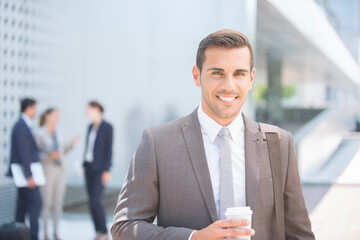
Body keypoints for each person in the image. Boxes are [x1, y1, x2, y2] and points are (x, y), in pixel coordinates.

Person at [111, 29, 315, 240]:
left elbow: (299, 234)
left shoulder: (279, 143)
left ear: (251, 78)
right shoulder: (158, 143)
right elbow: (124, 227)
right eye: (217, 73)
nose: (229, 86)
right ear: (196, 76)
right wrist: (193, 238)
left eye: (239, 74)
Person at [36, 108, 78, 240]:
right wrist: (48, 155)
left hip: (60, 171)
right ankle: (45, 233)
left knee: (58, 202)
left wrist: (70, 145)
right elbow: (35, 154)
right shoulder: (39, 133)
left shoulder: (60, 131)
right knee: (46, 202)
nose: (57, 119)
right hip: (47, 170)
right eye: (55, 116)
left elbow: (62, 151)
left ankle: (55, 232)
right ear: (48, 116)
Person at [7, 98, 42, 240]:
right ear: (29, 108)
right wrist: (29, 175)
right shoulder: (21, 126)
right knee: (36, 202)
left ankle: (18, 234)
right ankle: (33, 236)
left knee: (21, 204)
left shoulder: (23, 125)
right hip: (25, 174)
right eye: (35, 108)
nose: (36, 111)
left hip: (23, 174)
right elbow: (24, 152)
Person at [83, 101, 113, 240]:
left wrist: (107, 170)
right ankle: (98, 231)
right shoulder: (90, 127)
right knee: (91, 201)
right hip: (88, 167)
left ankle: (104, 232)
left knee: (96, 200)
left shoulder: (107, 127)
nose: (87, 112)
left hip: (100, 169)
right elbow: (88, 148)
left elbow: (108, 150)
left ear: (97, 109)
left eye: (89, 110)